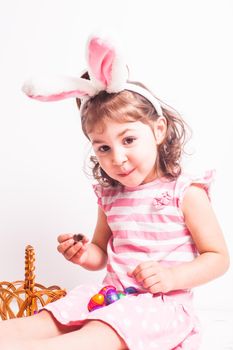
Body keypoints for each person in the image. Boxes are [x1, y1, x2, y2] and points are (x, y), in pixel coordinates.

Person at [0, 35, 229, 350]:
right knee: (49, 319)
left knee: (96, 336)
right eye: (103, 147)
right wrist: (83, 254)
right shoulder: (110, 196)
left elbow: (217, 258)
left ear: (158, 130)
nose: (117, 158)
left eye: (129, 140)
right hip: (108, 297)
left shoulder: (185, 192)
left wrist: (173, 278)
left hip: (159, 307)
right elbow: (100, 254)